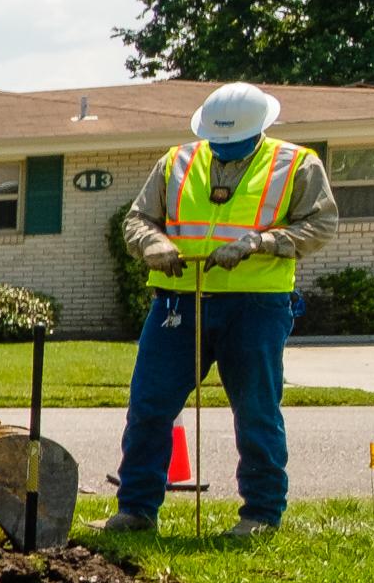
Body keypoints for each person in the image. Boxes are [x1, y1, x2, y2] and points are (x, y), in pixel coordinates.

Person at [102, 80, 337, 539]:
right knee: (150, 406)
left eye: (237, 144)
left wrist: (263, 242)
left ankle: (261, 515)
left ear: (261, 130)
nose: (226, 152)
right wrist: (152, 243)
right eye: (219, 143)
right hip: (178, 302)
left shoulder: (295, 163)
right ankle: (136, 509)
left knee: (255, 411)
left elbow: (322, 224)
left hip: (255, 306)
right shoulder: (177, 162)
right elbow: (138, 218)